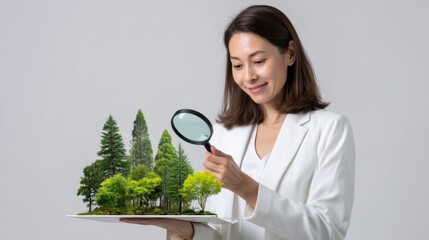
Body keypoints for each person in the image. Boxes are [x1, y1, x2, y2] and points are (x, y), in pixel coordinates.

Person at [121, 5, 355, 240]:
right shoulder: (223, 134)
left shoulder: (329, 130)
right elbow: (221, 233)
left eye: (259, 61)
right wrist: (189, 231)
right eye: (238, 65)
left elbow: (328, 231)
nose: (248, 76)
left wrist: (247, 188)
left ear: (290, 54)